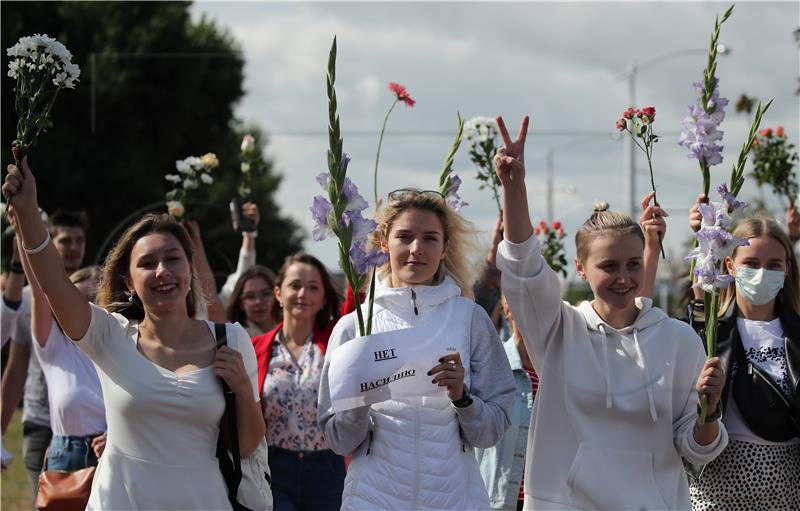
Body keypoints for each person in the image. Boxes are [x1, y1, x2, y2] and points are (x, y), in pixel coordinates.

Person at [2, 151, 265, 510]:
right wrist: (30, 212)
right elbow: (54, 283)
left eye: (172, 259)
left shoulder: (230, 339)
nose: (162, 271)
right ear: (129, 281)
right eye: (147, 263)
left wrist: (242, 388)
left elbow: (248, 445)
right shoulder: (110, 336)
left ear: (190, 269)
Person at [493, 115, 728, 510]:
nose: (624, 277)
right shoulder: (558, 330)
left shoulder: (678, 339)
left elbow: (697, 449)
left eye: (633, 264)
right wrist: (514, 189)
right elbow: (524, 270)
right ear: (581, 268)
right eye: (609, 266)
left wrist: (710, 408)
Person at [318, 188, 516, 510]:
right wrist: (359, 396)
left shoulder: (470, 319)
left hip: (456, 500)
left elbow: (491, 431)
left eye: (429, 239)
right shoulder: (354, 327)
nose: (416, 249)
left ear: (444, 247)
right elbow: (340, 440)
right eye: (404, 236)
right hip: (372, 500)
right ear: (384, 242)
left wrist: (462, 398)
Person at [685, 200, 800, 510]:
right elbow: (702, 291)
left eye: (774, 264)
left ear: (788, 269)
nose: (763, 273)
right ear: (731, 267)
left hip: (786, 494)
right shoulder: (709, 334)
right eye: (751, 263)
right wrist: (702, 234)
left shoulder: (796, 335)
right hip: (715, 495)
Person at [1, 209, 87, 507]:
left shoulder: (94, 292)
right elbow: (15, 368)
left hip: (91, 427)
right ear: (49, 242)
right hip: (40, 421)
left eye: (79, 240)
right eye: (65, 241)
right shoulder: (27, 299)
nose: (73, 248)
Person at [250, 253, 344, 511]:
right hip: (274, 467)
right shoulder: (255, 348)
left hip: (328, 468)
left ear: (323, 298)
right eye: (295, 285)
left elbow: (359, 300)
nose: (303, 293)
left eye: (313, 287)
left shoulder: (336, 342)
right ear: (278, 293)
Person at [20, 253, 107, 473]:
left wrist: (117, 438)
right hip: (67, 459)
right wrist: (23, 230)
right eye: (73, 301)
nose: (79, 310)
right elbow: (39, 292)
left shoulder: (123, 348)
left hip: (115, 454)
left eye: (91, 302)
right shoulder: (54, 347)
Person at [475, 295, 537, 511]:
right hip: (496, 501)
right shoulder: (493, 363)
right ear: (507, 307)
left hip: (544, 499)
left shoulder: (559, 370)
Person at [227, 265, 277, 337]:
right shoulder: (234, 337)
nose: (258, 301)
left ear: (277, 295)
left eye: (265, 294)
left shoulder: (292, 330)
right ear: (240, 303)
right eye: (250, 296)